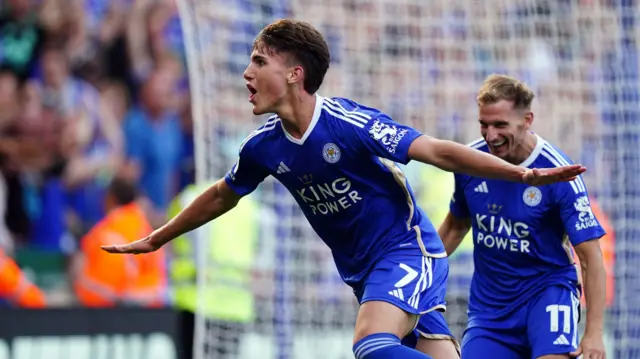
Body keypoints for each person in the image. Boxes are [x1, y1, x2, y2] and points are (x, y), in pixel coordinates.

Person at [101, 20, 585, 359]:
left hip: (407, 252)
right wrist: (160, 237)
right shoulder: (263, 148)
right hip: (360, 272)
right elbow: (224, 194)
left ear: (295, 74)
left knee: (371, 345)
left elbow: (435, 150)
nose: (246, 74)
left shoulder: (349, 124)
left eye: (258, 61)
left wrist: (520, 175)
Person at [437, 74, 606, 359]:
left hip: (547, 294)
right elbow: (455, 228)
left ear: (527, 120)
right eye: (484, 124)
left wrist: (594, 334)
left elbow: (590, 257)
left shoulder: (560, 174)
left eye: (500, 125)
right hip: (490, 308)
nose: (491, 135)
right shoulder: (469, 163)